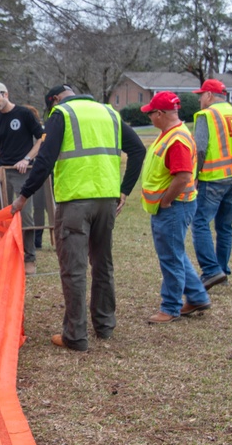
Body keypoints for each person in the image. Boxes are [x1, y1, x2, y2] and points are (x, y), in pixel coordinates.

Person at [11, 85, 146, 351]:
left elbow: (45, 160)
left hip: (74, 203)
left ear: (54, 100)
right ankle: (105, 326)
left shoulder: (62, 113)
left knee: (74, 270)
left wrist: (24, 195)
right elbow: (138, 150)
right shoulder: (109, 112)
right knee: (103, 264)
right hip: (107, 202)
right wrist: (125, 190)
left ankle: (75, 336)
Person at [140, 91, 211, 324]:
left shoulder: (176, 139)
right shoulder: (171, 134)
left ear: (160, 113)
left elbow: (182, 177)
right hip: (173, 206)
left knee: (170, 258)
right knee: (175, 254)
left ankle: (170, 307)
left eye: (151, 113)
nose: (149, 117)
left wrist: (167, 200)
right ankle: (198, 296)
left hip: (174, 207)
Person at [190, 79, 232, 290]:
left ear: (209, 95)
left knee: (199, 222)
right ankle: (222, 271)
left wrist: (194, 175)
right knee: (225, 227)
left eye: (201, 95)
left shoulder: (207, 115)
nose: (200, 99)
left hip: (212, 178)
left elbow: (199, 148)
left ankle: (211, 271)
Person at [0, 82, 44, 274]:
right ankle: (11, 255)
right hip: (3, 173)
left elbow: (42, 138)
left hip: (23, 173)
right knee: (6, 216)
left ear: (6, 94)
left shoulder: (24, 114)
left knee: (25, 215)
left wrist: (27, 159)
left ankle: (29, 258)